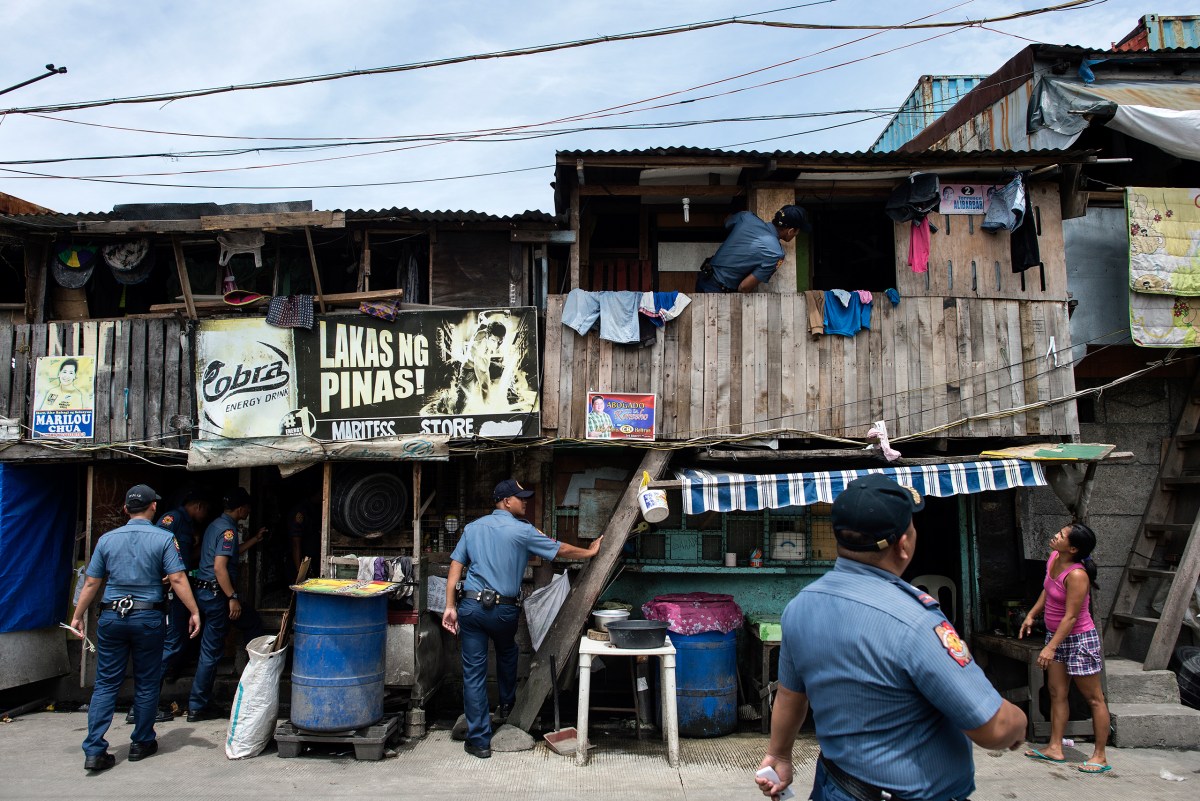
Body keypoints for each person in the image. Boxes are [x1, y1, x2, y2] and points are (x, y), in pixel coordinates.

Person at [755, 475, 1026, 801]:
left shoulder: (800, 607)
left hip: (835, 786)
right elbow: (992, 729)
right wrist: (1018, 720)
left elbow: (789, 696)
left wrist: (780, 756)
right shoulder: (915, 621)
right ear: (904, 544)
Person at [441, 479, 605, 759]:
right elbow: (560, 549)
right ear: (506, 502)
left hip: (471, 607)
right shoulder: (522, 530)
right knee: (507, 652)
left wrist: (449, 605)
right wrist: (589, 551)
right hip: (503, 611)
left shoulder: (473, 528)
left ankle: (479, 741)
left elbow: (456, 566)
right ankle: (506, 707)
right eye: (521, 498)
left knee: (474, 672)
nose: (525, 502)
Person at [69, 484, 200, 772]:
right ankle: (141, 742)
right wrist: (193, 611)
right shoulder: (164, 538)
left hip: (112, 617)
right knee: (147, 681)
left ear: (126, 510)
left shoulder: (107, 539)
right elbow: (177, 578)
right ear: (154, 507)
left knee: (105, 683)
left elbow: (92, 583)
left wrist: (78, 615)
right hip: (147, 618)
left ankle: (94, 750)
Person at [1020, 523, 1111, 774]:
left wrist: (1050, 648)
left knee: (1094, 698)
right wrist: (1032, 614)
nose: (1055, 535)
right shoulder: (1054, 558)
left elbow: (1071, 617)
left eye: (1060, 535)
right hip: (1055, 636)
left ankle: (1100, 756)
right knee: (1056, 692)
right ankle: (1055, 747)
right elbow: (1048, 590)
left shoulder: (1077, 575)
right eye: (1058, 531)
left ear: (1073, 548)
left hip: (1079, 639)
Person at [186, 487, 267, 722]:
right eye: (247, 509)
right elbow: (220, 567)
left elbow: (229, 554)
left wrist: (254, 540)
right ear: (241, 508)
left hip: (206, 592)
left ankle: (252, 680)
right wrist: (232, 597)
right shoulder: (228, 531)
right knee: (211, 652)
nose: (248, 512)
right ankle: (198, 705)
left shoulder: (215, 525)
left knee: (250, 622)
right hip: (217, 596)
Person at [154, 492, 211, 685]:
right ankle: (143, 702)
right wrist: (162, 572)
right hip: (170, 591)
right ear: (198, 506)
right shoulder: (174, 518)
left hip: (181, 589)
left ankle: (161, 684)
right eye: (206, 511)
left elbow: (185, 558)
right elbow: (156, 543)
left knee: (178, 639)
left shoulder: (188, 526)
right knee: (172, 641)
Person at [697, 205, 810, 294]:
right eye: (797, 231)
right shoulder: (775, 254)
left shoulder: (746, 217)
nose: (797, 234)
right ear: (790, 231)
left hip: (704, 278)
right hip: (717, 292)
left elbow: (727, 221)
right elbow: (744, 287)